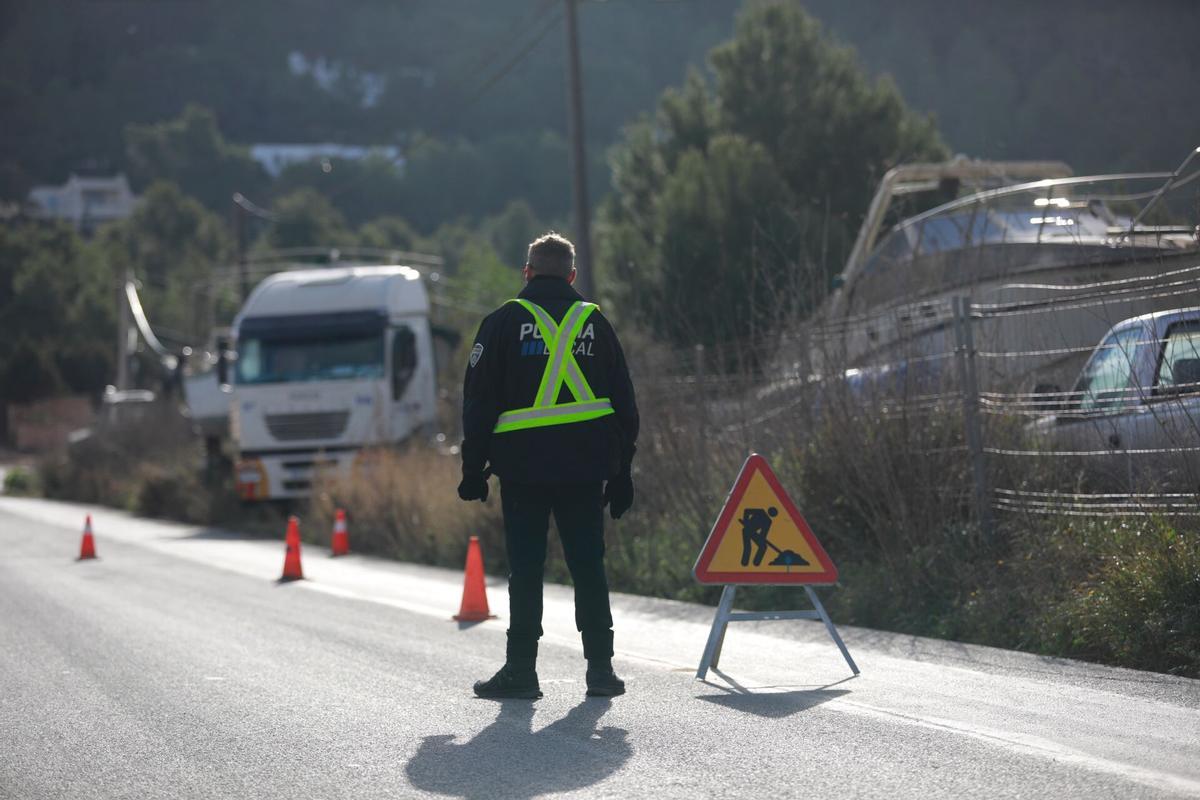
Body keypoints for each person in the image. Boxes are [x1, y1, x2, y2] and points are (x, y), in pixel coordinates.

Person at [457, 231, 639, 699]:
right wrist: (621, 475)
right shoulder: (595, 324)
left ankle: (522, 671)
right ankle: (601, 671)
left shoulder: (501, 323)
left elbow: (478, 405)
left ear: (527, 273)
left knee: (526, 568)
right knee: (587, 566)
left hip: (524, 469)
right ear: (573, 275)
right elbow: (625, 406)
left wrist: (473, 470)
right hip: (585, 467)